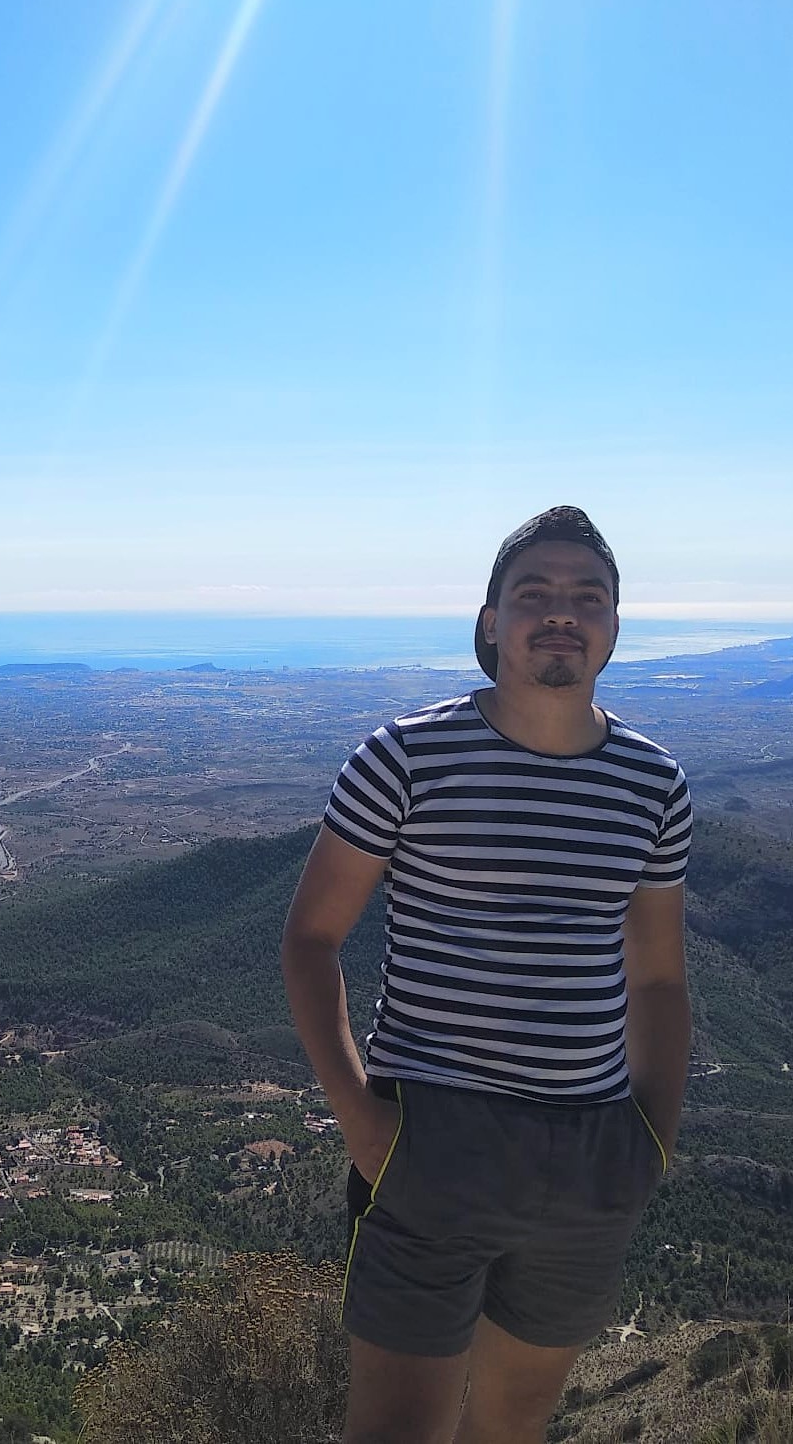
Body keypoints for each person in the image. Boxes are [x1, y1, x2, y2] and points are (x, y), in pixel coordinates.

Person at [281, 506, 692, 1444]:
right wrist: (365, 1126)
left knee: (512, 1427)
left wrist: (651, 1140)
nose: (562, 613)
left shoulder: (654, 783)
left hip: (593, 1148)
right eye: (534, 593)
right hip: (433, 1136)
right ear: (491, 621)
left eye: (588, 597)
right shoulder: (403, 757)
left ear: (615, 627)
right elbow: (310, 939)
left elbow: (659, 981)